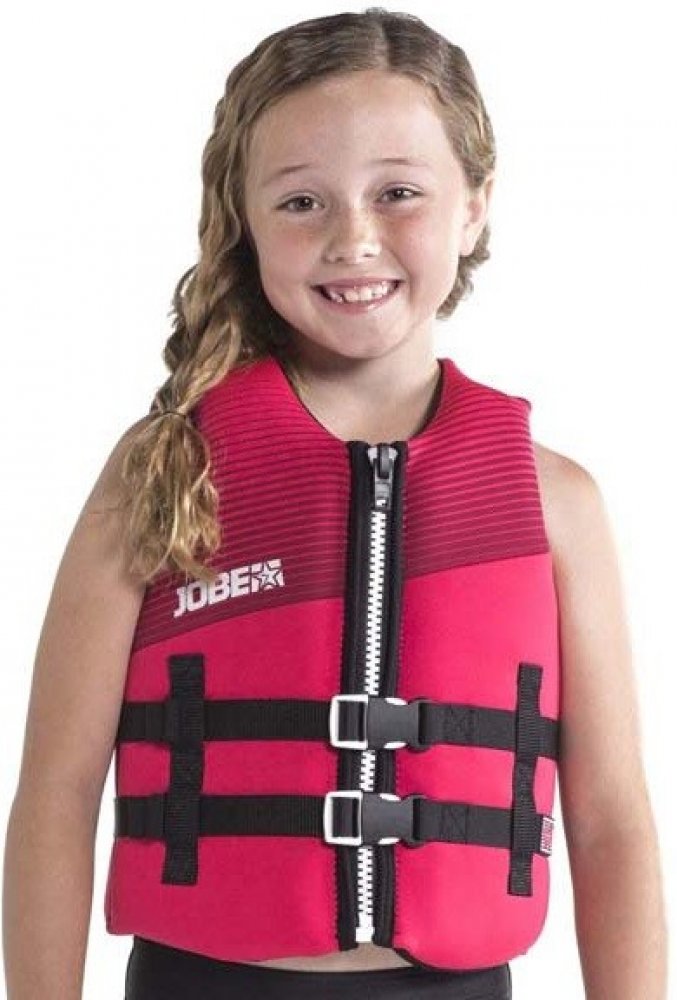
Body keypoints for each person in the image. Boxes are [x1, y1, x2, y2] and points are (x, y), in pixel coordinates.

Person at [2, 8, 667, 1000]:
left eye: (397, 192)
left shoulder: (553, 503)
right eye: (301, 201)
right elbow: (56, 794)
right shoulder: (165, 471)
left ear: (473, 207)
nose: (353, 238)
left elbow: (610, 820)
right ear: (244, 222)